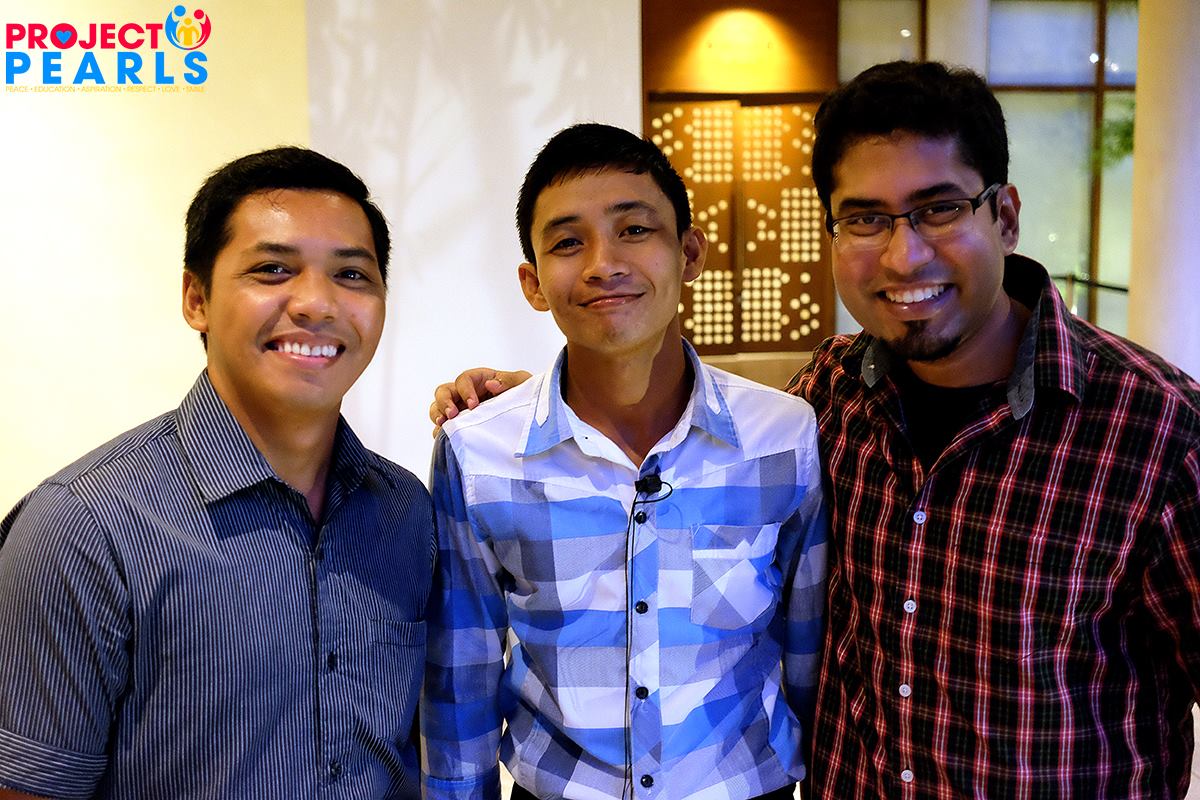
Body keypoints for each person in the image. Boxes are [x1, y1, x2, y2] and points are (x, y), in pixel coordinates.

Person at [430, 62, 1200, 798]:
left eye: (939, 208)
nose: (905, 254)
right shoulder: (830, 398)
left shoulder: (1161, 434)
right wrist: (543, 411)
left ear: (1004, 216)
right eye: (865, 219)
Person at [0, 147, 435, 799]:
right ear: (196, 298)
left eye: (351, 274)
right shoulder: (84, 526)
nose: (316, 303)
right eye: (273, 269)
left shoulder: (407, 511)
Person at [421, 123, 828, 800]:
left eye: (634, 230)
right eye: (567, 242)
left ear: (689, 253)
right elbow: (462, 676)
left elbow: (811, 655)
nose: (602, 263)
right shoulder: (479, 452)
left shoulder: (782, 437)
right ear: (533, 283)